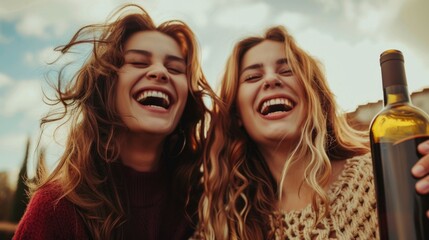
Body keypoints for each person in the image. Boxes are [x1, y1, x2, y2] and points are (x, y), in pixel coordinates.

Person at [195, 26, 429, 239]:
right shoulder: (224, 224)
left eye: (287, 71)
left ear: (313, 97)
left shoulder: (383, 175)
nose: (271, 79)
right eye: (253, 77)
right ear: (236, 114)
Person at [14, 3, 215, 240]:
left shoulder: (207, 209)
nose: (160, 72)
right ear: (108, 86)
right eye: (139, 62)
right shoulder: (56, 208)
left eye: (175, 68)